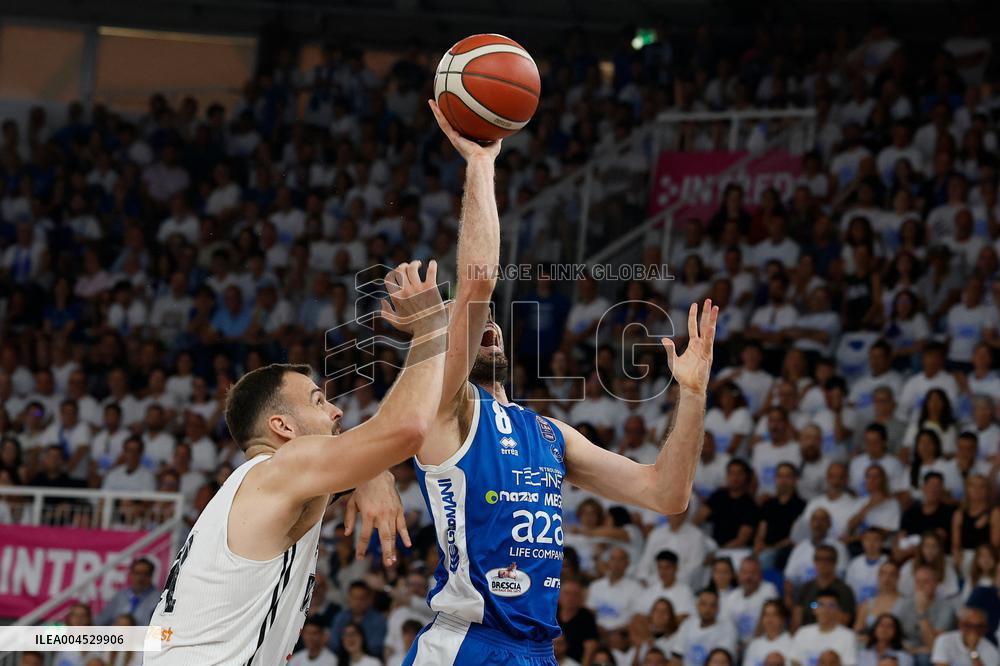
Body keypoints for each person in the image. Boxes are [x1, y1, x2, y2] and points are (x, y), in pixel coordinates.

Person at [403, 101, 717, 665]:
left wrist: (692, 395)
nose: (488, 326)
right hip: (469, 646)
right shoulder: (448, 408)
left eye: (494, 322)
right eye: (475, 326)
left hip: (538, 651)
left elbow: (666, 494)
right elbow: (477, 284)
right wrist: (481, 162)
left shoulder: (549, 434)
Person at [146, 260, 449, 665]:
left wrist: (372, 470)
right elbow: (406, 429)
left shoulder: (263, 490)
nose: (337, 411)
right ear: (282, 427)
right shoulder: (282, 468)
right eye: (318, 401)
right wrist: (431, 327)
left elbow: (369, 456)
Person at [669, 589, 738, 666]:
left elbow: (721, 661)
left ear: (718, 608)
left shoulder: (727, 629)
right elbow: (677, 657)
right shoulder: (687, 624)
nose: (707, 609)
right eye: (703, 604)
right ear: (697, 606)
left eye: (712, 605)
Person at [791, 590, 858, 666]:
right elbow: (795, 662)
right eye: (821, 605)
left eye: (831, 605)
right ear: (814, 609)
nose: (825, 610)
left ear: (838, 609)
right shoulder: (802, 633)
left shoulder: (848, 636)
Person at [96, 558, 159, 625]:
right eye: (137, 573)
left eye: (145, 574)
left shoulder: (158, 599)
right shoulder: (120, 596)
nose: (140, 578)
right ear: (131, 574)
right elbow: (101, 620)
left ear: (151, 576)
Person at [930, 606, 999, 666]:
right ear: (960, 625)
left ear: (985, 629)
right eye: (968, 625)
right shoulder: (944, 640)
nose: (973, 630)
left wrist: (973, 650)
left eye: (979, 626)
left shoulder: (991, 650)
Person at [742, 600, 795, 666]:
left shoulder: (792, 642)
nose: (769, 619)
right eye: (766, 615)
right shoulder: (754, 645)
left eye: (774, 615)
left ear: (782, 619)